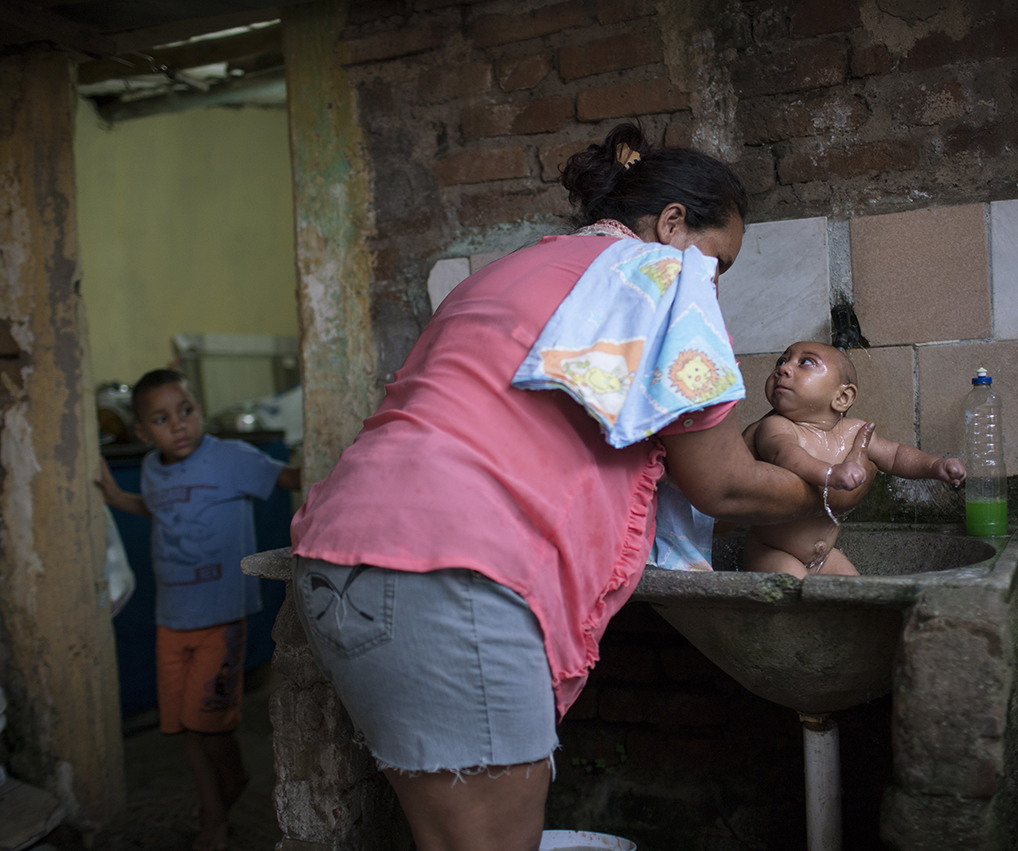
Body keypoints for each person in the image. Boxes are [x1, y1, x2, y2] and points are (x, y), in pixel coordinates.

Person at [287, 124, 876, 851]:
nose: (712, 283)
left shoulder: (508, 273)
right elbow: (722, 485)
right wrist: (826, 496)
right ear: (671, 226)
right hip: (456, 571)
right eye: (718, 262)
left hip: (337, 559)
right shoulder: (664, 275)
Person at [96, 369, 301, 851]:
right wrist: (113, 496)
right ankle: (220, 797)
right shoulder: (150, 467)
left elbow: (291, 477)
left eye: (186, 410)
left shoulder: (231, 458)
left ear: (199, 408)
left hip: (222, 616)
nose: (179, 425)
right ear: (144, 432)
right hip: (172, 619)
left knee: (208, 722)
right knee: (187, 726)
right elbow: (158, 507)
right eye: (162, 419)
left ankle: (219, 808)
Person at [743, 341, 965, 577]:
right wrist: (830, 473)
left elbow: (896, 455)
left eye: (805, 362)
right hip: (773, 551)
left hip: (823, 557)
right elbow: (786, 454)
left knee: (857, 592)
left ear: (843, 397)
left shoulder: (854, 431)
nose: (784, 368)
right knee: (796, 592)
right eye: (782, 361)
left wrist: (935, 466)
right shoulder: (775, 426)